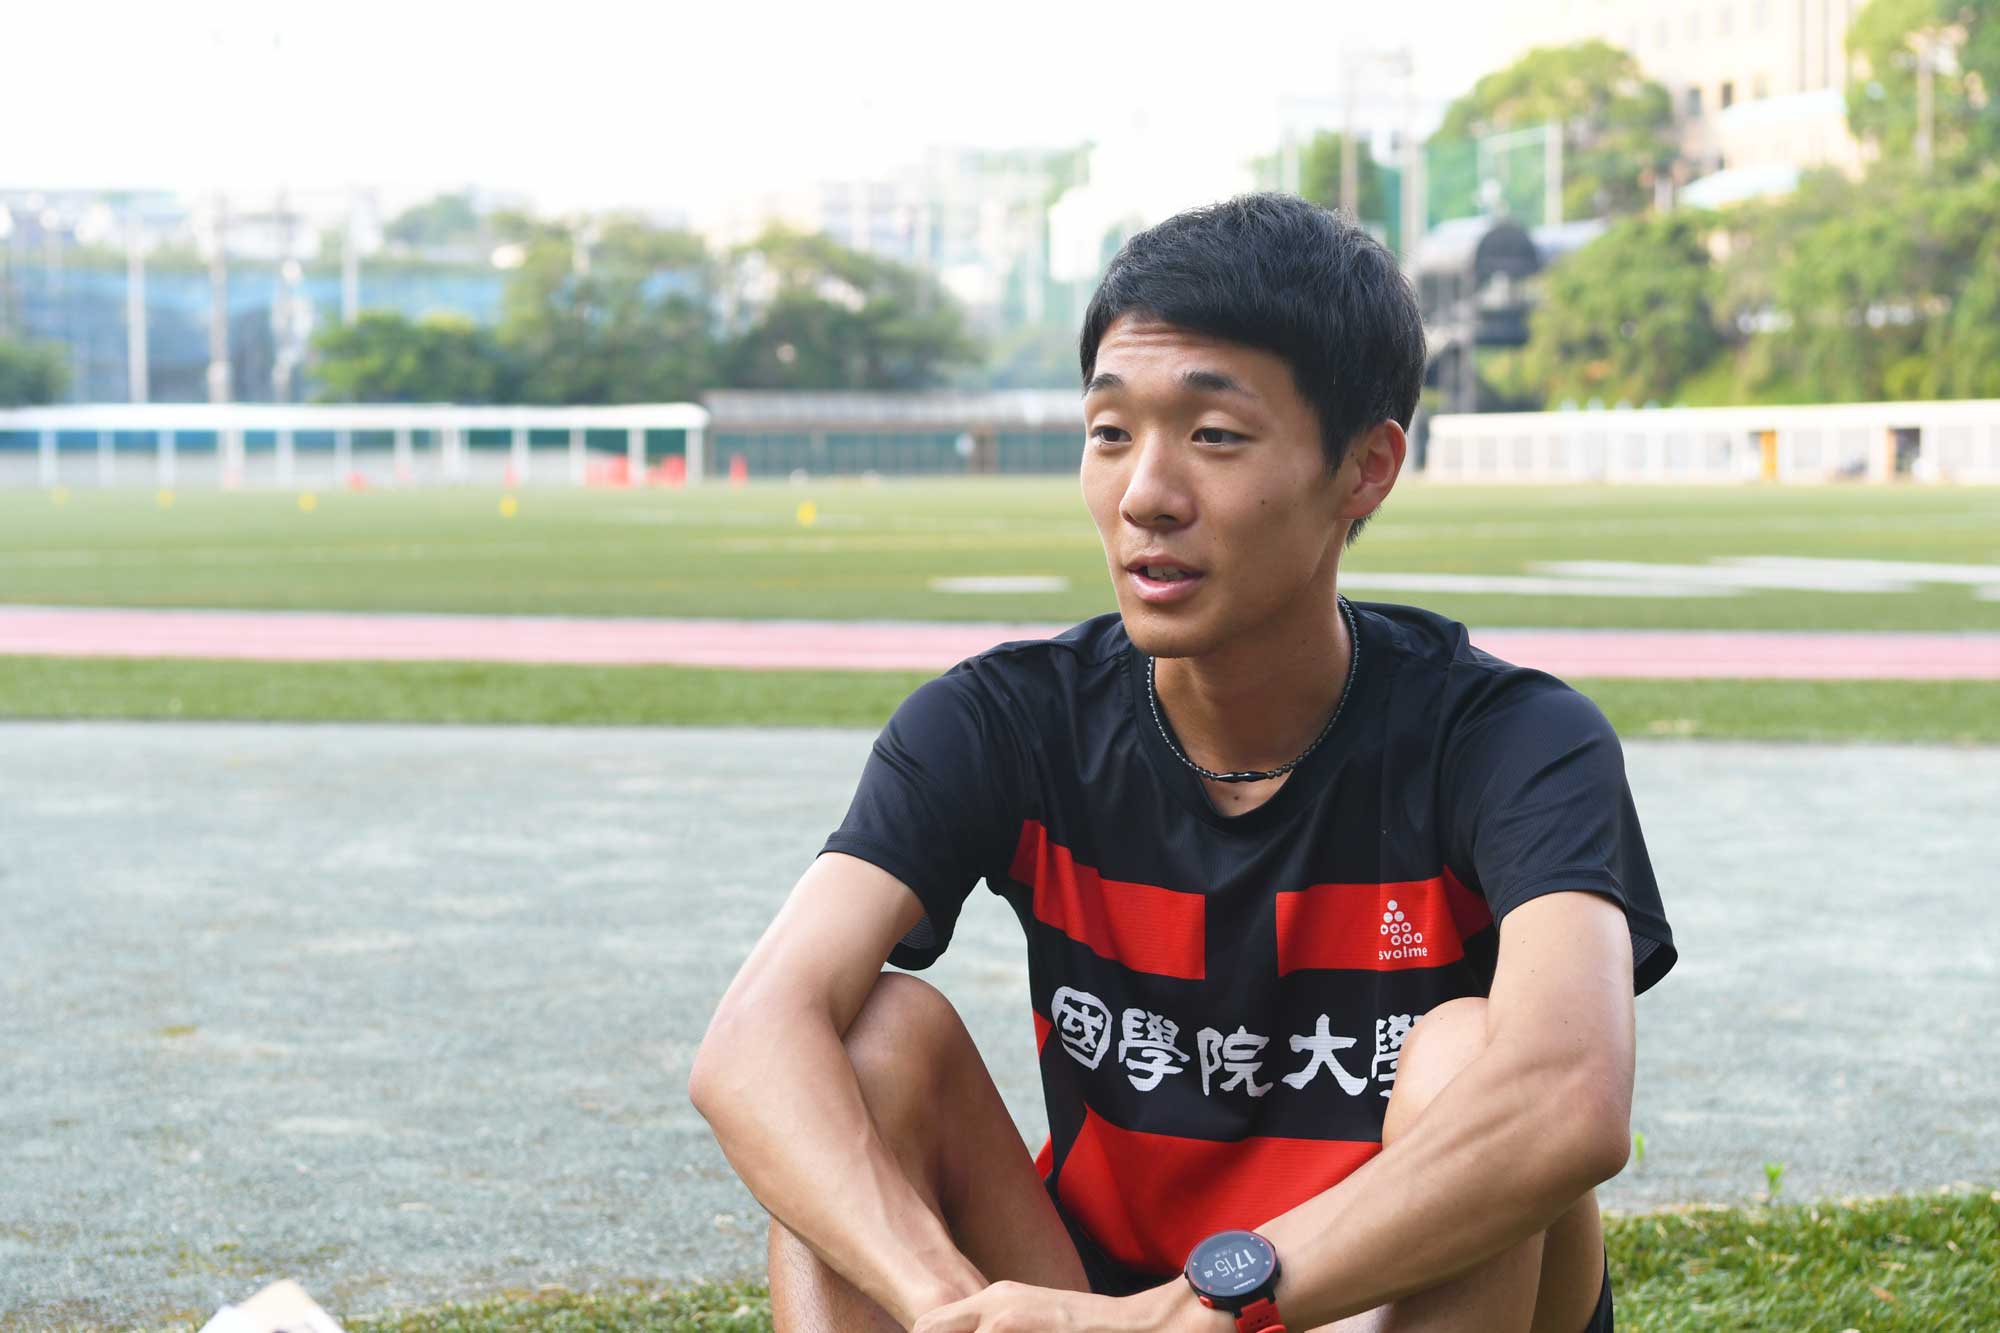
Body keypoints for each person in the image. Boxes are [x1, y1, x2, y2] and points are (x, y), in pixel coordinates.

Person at [690, 193, 1676, 1333]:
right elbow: (750, 1042)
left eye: (1213, 435)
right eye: (1110, 431)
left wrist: (1190, 1311)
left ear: (1364, 468)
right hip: (1088, 1306)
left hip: (1360, 1301)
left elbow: (1568, 1097)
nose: (1144, 495)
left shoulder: (1511, 738)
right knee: (868, 1039)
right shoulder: (1002, 720)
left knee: (1470, 1054)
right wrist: (951, 1304)